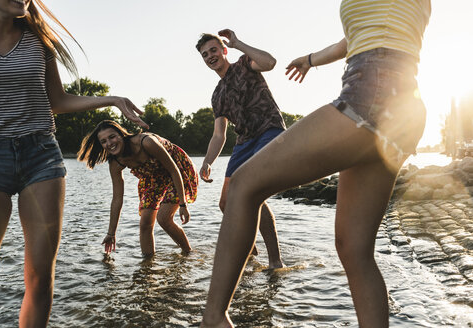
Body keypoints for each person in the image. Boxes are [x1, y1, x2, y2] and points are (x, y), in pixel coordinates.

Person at [201, 1, 431, 327]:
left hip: (372, 93)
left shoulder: (242, 66)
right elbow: (351, 40)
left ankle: (213, 319)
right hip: (402, 108)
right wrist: (310, 60)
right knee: (353, 249)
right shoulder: (390, 13)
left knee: (242, 185)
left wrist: (239, 42)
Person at [0, 1, 148, 326]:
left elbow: (56, 100)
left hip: (40, 156)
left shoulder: (39, 39)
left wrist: (112, 99)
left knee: (40, 280)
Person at [196, 29, 285, 269]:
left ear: (224, 50)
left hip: (269, 131)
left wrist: (238, 43)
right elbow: (218, 134)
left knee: (251, 192)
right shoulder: (217, 95)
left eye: (213, 50)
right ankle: (251, 252)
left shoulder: (245, 64)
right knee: (225, 203)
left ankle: (275, 261)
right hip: (244, 142)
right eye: (205, 55)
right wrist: (207, 161)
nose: (210, 56)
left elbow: (270, 62)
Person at [78, 120, 198, 257]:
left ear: (121, 134)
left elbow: (173, 170)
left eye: (112, 137)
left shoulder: (146, 142)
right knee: (145, 223)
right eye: (104, 141)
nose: (109, 143)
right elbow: (117, 199)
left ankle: (188, 254)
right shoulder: (116, 163)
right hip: (152, 178)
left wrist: (183, 204)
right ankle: (147, 265)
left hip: (177, 171)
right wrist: (111, 233)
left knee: (164, 218)